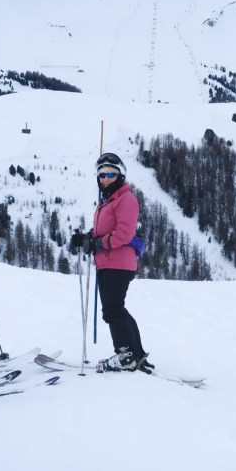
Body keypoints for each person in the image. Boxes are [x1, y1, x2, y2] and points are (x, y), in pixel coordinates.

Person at [71, 152, 152, 373]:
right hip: (107, 263)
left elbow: (123, 234)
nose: (105, 178)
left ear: (120, 175)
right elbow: (102, 231)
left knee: (112, 309)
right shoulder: (106, 202)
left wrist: (97, 244)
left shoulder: (126, 199)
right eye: (102, 174)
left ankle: (126, 355)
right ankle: (135, 353)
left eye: (110, 174)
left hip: (119, 263)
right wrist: (86, 238)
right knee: (116, 308)